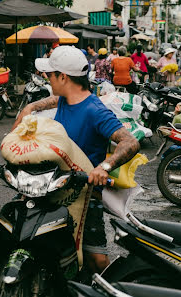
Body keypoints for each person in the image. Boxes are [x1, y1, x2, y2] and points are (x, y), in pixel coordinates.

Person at [13, 45, 140, 279]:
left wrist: (105, 167)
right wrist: (31, 107)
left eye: (50, 75)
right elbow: (50, 102)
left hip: (84, 194)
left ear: (63, 77)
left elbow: (130, 142)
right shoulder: (65, 98)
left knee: (96, 260)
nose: (47, 78)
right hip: (53, 188)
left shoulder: (95, 110)